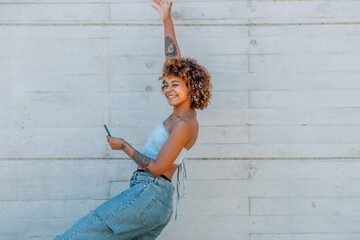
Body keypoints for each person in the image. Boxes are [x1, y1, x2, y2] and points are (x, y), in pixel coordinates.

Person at [54, 0, 212, 239]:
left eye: (175, 85)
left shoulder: (185, 124)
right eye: (166, 84)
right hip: (155, 200)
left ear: (191, 86)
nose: (168, 89)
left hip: (150, 191)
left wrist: (123, 146)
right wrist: (166, 20)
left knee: (81, 233)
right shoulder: (182, 114)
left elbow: (158, 167)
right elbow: (173, 62)